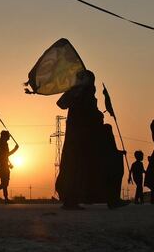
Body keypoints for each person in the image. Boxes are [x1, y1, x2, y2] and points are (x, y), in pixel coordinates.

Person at [55, 69, 106, 210]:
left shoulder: (89, 93)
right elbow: (61, 103)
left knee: (83, 166)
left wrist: (98, 117)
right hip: (75, 135)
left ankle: (79, 198)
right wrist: (74, 90)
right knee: (72, 166)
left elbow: (91, 112)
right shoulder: (76, 91)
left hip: (87, 136)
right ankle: (69, 199)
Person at [102, 123, 127, 208]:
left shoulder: (104, 139)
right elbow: (112, 151)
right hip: (112, 165)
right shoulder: (108, 139)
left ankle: (113, 200)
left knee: (111, 183)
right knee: (114, 183)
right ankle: (114, 200)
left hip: (108, 165)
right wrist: (121, 153)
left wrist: (120, 152)